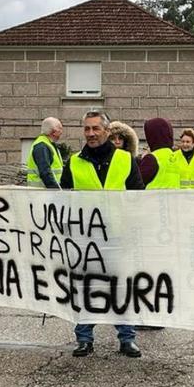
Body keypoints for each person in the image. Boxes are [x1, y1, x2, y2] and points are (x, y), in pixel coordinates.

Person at [59, 111, 144, 358]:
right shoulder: (74, 162)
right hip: (86, 238)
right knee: (86, 287)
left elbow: (138, 196)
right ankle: (84, 338)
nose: (91, 133)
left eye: (96, 128)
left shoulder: (126, 159)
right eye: (86, 129)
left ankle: (127, 338)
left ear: (107, 131)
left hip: (119, 236)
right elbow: (63, 198)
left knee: (120, 288)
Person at [140, 117, 181, 189]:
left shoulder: (151, 158)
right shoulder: (177, 156)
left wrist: (142, 159)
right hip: (174, 199)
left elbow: (138, 182)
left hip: (152, 199)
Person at [26, 117, 64, 188]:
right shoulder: (42, 146)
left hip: (44, 193)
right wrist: (57, 191)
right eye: (60, 128)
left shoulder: (47, 144)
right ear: (53, 131)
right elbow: (45, 173)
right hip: (42, 193)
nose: (61, 132)